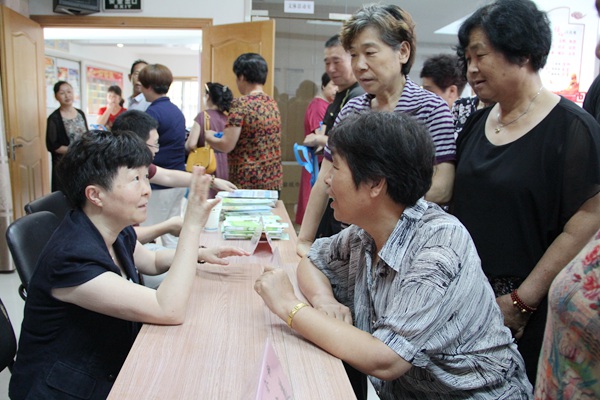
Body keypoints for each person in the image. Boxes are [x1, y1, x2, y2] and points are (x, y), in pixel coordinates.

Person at [255, 111, 532, 399]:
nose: (326, 180)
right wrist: (324, 300)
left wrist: (289, 306)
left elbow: (385, 359)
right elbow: (313, 261)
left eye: (335, 168)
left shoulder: (439, 244)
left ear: (376, 183)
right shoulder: (367, 231)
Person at [9, 130, 248, 399]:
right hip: (65, 388)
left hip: (106, 361)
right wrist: (192, 227)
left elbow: (152, 261)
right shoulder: (71, 258)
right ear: (95, 194)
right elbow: (168, 309)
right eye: (135, 179)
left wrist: (199, 253)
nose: (147, 189)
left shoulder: (113, 227)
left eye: (146, 177)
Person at [452, 0, 600, 385]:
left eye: (480, 55)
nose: (471, 69)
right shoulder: (477, 123)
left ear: (523, 53)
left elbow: (586, 221)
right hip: (467, 301)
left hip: (527, 311)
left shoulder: (572, 129)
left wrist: (521, 301)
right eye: (466, 58)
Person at [297, 4, 456, 257]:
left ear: (402, 52)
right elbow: (325, 178)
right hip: (354, 246)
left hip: (410, 248)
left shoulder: (431, 108)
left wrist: (375, 210)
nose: (360, 65)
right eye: (353, 55)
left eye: (370, 53)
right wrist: (304, 240)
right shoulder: (352, 109)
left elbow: (443, 187)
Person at [113, 110, 237, 245]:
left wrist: (212, 180)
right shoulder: (115, 178)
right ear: (137, 144)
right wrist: (168, 226)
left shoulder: (137, 166)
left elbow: (168, 176)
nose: (157, 150)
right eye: (155, 144)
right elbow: (121, 237)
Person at [302, 34, 365, 239]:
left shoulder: (358, 97)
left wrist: (319, 139)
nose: (330, 68)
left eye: (337, 62)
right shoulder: (340, 96)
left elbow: (352, 147)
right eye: (327, 62)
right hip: (330, 182)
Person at [205, 53, 282, 190]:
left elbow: (226, 145)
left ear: (242, 77)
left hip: (248, 183)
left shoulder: (241, 104)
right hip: (273, 181)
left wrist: (209, 136)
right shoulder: (272, 103)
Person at [138, 63, 187, 248]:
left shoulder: (152, 112)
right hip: (178, 178)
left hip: (160, 182)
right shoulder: (176, 111)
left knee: (150, 231)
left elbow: (144, 147)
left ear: (148, 87)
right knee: (172, 233)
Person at [296, 72, 337, 225]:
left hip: (320, 162)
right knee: (313, 207)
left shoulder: (329, 105)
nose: (336, 89)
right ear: (323, 86)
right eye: (333, 85)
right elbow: (318, 136)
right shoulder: (318, 106)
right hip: (316, 163)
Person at [186, 82, 234, 198]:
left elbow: (191, 144)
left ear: (207, 97)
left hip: (208, 164)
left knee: (208, 199)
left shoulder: (203, 116)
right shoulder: (228, 118)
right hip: (227, 164)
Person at [45, 80, 88, 193]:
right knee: (66, 193)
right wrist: (75, 151)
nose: (67, 96)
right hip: (64, 164)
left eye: (69, 92)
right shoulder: (54, 118)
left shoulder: (80, 114)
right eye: (62, 93)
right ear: (56, 96)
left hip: (82, 161)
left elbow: (86, 135)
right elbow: (53, 146)